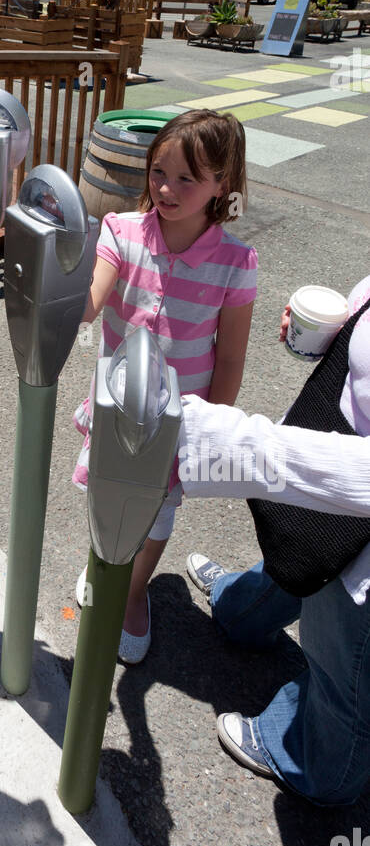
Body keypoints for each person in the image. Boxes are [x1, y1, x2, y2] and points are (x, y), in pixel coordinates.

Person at [73, 110, 258, 661]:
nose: (166, 189)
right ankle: (103, 566)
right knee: (107, 491)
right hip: (116, 409)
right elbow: (90, 304)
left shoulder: (236, 263)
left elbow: (230, 358)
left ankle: (132, 593)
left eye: (187, 178)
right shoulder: (121, 231)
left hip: (181, 421)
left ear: (222, 184)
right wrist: (48, 274)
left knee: (158, 512)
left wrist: (210, 428)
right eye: (159, 172)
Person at [183, 275, 370, 804]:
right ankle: (238, 612)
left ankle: (311, 762)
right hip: (323, 479)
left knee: (345, 670)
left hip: (355, 521)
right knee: (289, 562)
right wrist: (330, 334)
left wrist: (219, 443)